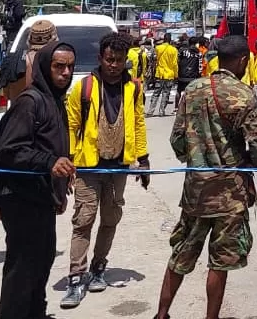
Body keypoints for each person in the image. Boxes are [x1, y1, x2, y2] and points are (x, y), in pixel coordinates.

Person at [154, 36, 257, 319]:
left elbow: (177, 139)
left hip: (195, 190)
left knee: (180, 255)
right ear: (243, 60)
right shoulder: (243, 94)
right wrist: (247, 162)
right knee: (220, 262)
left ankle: (162, 313)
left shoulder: (192, 89)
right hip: (230, 194)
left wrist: (195, 156)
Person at [60, 33, 151, 308]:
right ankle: (76, 277)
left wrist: (143, 161)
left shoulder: (134, 88)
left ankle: (99, 268)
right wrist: (68, 162)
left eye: (119, 61)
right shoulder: (84, 87)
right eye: (109, 59)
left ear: (126, 61)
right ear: (101, 58)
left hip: (119, 167)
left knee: (110, 219)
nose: (114, 65)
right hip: (88, 167)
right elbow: (71, 126)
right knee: (83, 222)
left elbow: (138, 123)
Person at [0, 41, 76, 319]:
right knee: (22, 268)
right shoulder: (30, 102)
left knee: (41, 262)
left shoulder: (54, 100)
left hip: (40, 197)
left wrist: (61, 185)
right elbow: (10, 151)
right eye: (59, 66)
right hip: (20, 199)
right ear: (44, 67)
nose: (65, 72)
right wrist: (50, 162)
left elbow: (54, 147)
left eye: (69, 67)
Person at [0, 20, 57, 268]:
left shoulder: (14, 61)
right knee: (37, 191)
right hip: (38, 134)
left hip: (8, 129)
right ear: (53, 39)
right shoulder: (52, 64)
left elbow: (4, 97)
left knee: (1, 188)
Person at [150, 34, 178, 117]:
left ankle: (150, 111)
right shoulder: (174, 50)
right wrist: (176, 74)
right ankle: (162, 111)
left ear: (163, 40)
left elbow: (153, 60)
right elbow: (174, 64)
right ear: (170, 40)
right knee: (166, 93)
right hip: (169, 74)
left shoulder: (158, 48)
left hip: (159, 73)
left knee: (156, 93)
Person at [177, 36, 204, 104]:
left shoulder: (182, 51)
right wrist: (199, 76)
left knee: (179, 91)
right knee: (194, 93)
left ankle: (176, 107)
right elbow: (200, 67)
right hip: (193, 77)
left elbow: (177, 61)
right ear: (196, 44)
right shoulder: (199, 53)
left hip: (182, 76)